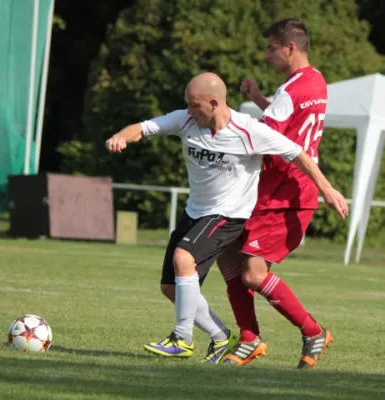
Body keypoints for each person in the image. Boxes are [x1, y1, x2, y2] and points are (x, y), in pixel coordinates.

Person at [105, 72, 348, 365]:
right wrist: (122, 136)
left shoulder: (248, 131)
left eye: (195, 105)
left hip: (229, 214)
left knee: (186, 259)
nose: (189, 111)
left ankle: (182, 339)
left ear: (215, 102)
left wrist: (327, 189)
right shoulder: (185, 120)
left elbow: (298, 153)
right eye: (187, 104)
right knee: (171, 288)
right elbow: (143, 128)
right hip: (195, 211)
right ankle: (222, 336)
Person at [217, 18, 333, 369]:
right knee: (227, 253)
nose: (267, 55)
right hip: (275, 190)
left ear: (290, 48)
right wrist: (258, 98)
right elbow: (288, 123)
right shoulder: (315, 82)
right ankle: (249, 337)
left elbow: (261, 137)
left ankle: (313, 331)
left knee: (252, 273)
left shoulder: (289, 90)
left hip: (286, 193)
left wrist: (224, 118)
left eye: (271, 48)